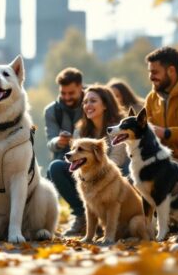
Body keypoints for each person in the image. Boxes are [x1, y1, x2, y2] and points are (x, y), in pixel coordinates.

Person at [49, 85, 129, 236]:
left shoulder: (119, 128)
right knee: (56, 168)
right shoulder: (80, 129)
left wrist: (95, 170)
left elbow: (117, 159)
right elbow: (78, 159)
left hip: (117, 176)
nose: (87, 105)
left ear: (105, 105)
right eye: (85, 102)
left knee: (129, 178)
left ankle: (115, 223)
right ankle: (82, 216)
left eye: (93, 101)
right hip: (89, 175)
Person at [44, 67, 85, 236]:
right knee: (52, 171)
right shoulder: (52, 110)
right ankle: (80, 214)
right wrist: (59, 142)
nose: (67, 98)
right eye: (63, 93)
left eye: (71, 93)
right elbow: (50, 141)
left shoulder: (92, 101)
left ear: (81, 87)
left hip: (88, 156)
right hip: (64, 156)